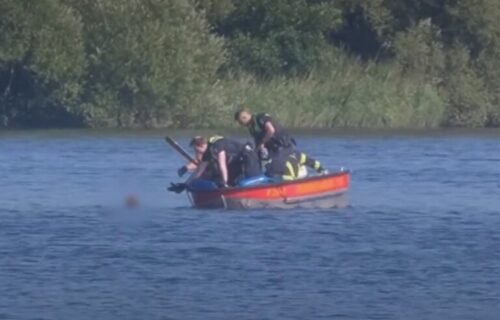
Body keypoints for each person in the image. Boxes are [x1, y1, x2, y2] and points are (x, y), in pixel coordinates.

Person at [234, 108, 327, 175]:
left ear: (246, 116)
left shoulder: (260, 117)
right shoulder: (252, 127)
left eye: (242, 119)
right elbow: (257, 139)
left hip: (282, 144)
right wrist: (257, 149)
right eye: (240, 122)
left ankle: (321, 169)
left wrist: (262, 142)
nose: (241, 123)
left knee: (296, 158)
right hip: (272, 148)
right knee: (268, 164)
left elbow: (271, 130)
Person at [189, 135, 261, 187]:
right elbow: (199, 170)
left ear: (201, 145)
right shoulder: (207, 152)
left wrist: (224, 183)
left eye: (196, 150)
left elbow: (222, 165)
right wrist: (187, 183)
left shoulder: (217, 146)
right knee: (231, 182)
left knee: (251, 178)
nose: (197, 153)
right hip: (237, 161)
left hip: (249, 155)